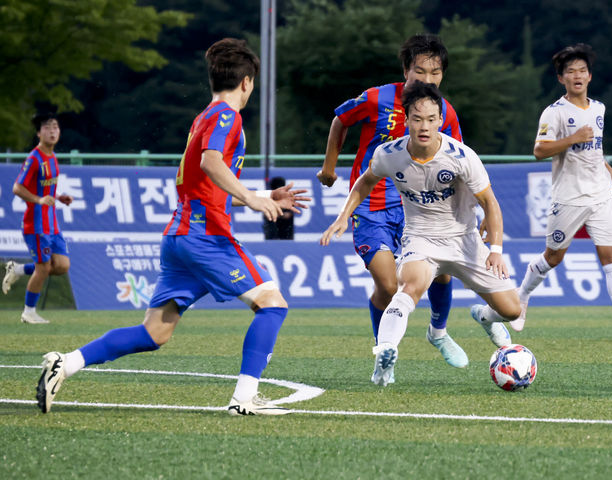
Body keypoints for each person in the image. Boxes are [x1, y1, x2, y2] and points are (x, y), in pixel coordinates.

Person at [35, 38, 309, 416]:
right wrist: (253, 198)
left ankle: (63, 364)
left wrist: (265, 194)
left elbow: (206, 180)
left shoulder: (204, 116)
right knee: (272, 305)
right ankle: (244, 400)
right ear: (246, 82)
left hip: (181, 236)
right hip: (204, 238)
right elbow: (213, 163)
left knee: (154, 333)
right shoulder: (227, 117)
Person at [321, 82, 520, 386]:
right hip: (421, 239)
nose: (423, 126)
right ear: (406, 119)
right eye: (417, 119)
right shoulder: (390, 154)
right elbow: (364, 182)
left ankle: (482, 316)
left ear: (440, 120)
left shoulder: (462, 157)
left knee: (512, 311)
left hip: (465, 241)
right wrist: (342, 216)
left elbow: (490, 203)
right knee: (408, 287)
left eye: (430, 119)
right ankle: (385, 354)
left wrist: (495, 249)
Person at [317, 34, 468, 370]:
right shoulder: (376, 99)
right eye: (420, 71)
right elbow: (341, 120)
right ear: (405, 70)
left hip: (419, 207)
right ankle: (383, 351)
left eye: (435, 73)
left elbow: (459, 163)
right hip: (370, 206)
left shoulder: (445, 113)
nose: (427, 80)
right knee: (387, 287)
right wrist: (329, 166)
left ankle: (438, 331)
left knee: (441, 273)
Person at [514, 43, 612, 340]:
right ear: (561, 78)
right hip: (569, 196)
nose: (577, 75)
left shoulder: (599, 108)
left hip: (600, 193)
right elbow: (539, 150)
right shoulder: (555, 113)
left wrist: (610, 172)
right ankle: (521, 296)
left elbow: (595, 149)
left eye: (582, 70)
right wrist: (573, 137)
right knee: (553, 257)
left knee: (611, 256)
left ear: (589, 76)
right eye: (570, 71)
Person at [2, 113, 73, 324]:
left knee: (61, 265)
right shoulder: (34, 158)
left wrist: (59, 197)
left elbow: (46, 187)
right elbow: (17, 187)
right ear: (39, 133)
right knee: (43, 268)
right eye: (47, 127)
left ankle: (18, 269)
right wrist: (39, 200)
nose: (52, 131)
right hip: (36, 223)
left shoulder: (52, 157)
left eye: (55, 127)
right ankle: (28, 312)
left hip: (52, 223)